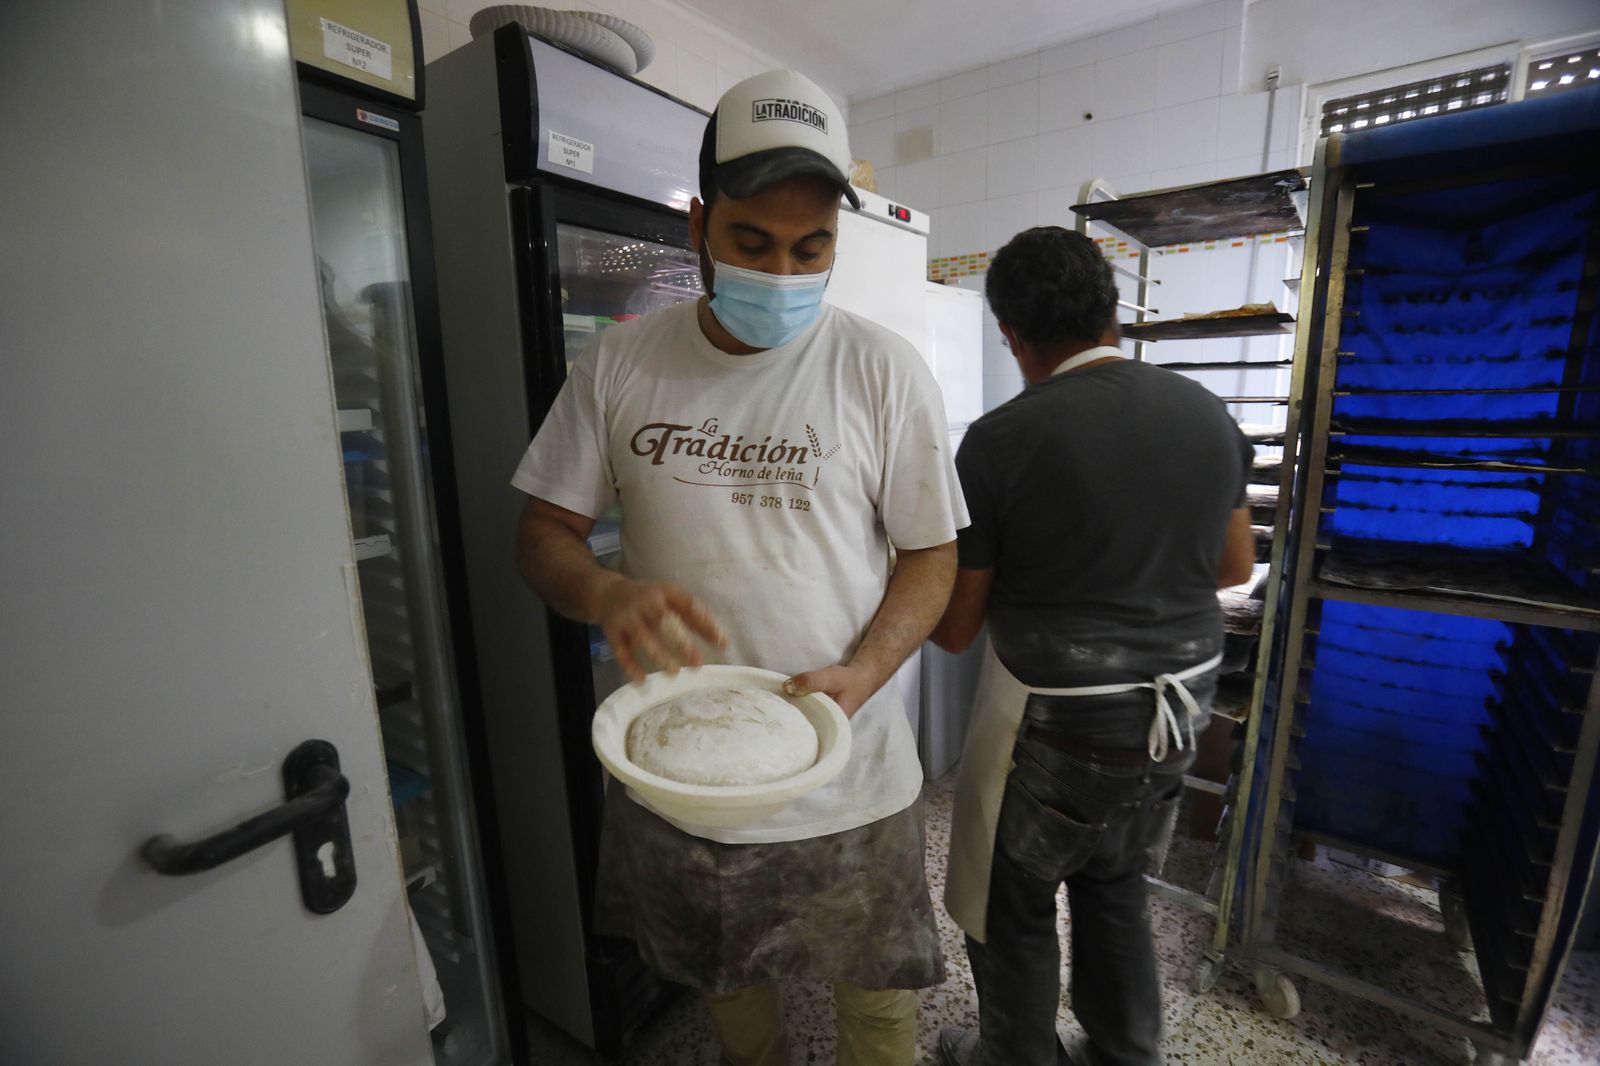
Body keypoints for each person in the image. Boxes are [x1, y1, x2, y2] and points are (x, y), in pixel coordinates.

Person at [510, 68, 968, 1066]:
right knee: (726, 985)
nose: (784, 269)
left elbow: (933, 553)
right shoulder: (621, 366)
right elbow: (542, 530)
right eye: (752, 242)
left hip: (851, 765)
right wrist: (602, 589)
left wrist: (869, 669)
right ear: (697, 225)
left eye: (813, 249)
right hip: (683, 770)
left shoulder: (882, 371)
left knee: (879, 997)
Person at [929, 227, 1256, 1066]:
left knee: (1016, 902)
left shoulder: (1000, 441)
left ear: (1011, 333)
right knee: (1115, 889)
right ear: (1112, 311)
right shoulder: (1205, 413)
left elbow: (958, 627)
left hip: (1064, 729)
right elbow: (1233, 564)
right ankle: (1124, 1055)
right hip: (1179, 711)